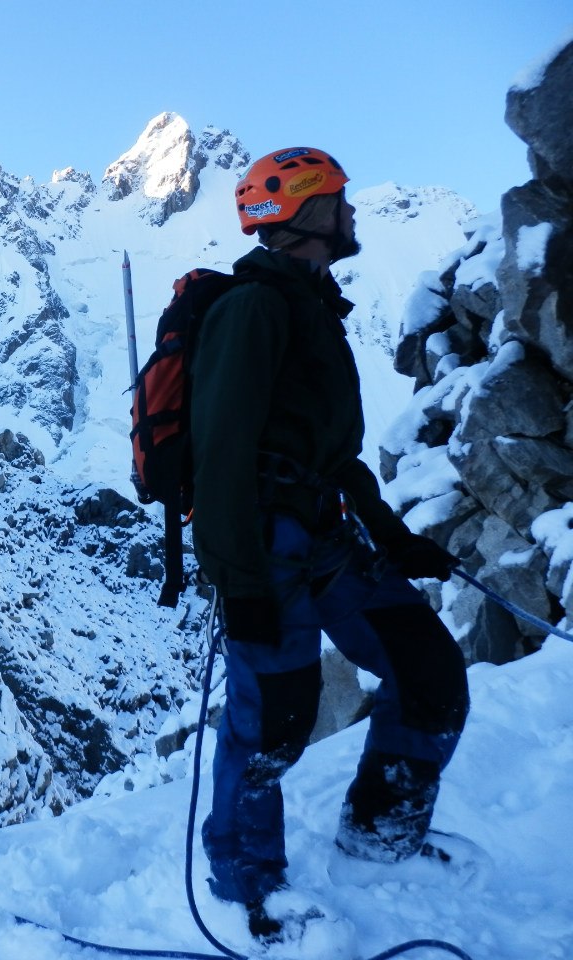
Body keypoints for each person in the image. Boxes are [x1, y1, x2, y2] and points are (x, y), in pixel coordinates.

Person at [189, 148, 470, 940]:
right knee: (273, 724)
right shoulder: (255, 308)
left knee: (428, 670)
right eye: (340, 200)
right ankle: (247, 880)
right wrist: (238, 581)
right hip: (267, 548)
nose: (352, 213)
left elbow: (332, 453)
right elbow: (221, 447)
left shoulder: (310, 304)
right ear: (307, 211)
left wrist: (395, 539)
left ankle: (380, 837)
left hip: (326, 535)